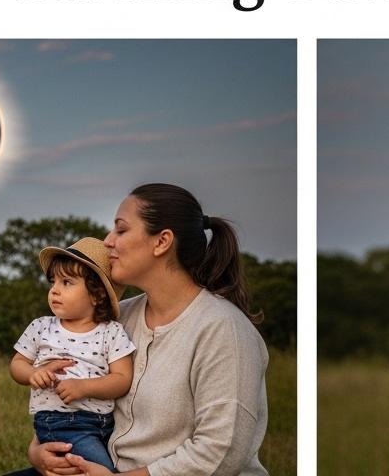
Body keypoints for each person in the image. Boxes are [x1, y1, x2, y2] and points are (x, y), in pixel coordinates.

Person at [22, 182, 269, 476]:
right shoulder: (116, 319)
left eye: (121, 230)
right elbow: (70, 400)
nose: (108, 241)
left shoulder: (224, 330)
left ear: (162, 242)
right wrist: (38, 453)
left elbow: (221, 452)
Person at [10, 238, 136, 471]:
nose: (55, 289)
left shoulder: (111, 332)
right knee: (99, 468)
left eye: (67, 282)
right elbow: (17, 364)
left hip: (106, 424)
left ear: (97, 295)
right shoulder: (41, 327)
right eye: (53, 281)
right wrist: (32, 373)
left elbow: (122, 379)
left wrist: (84, 387)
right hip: (61, 422)